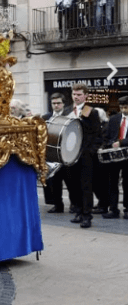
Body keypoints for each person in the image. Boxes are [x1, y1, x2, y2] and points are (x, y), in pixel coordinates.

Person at [68, 83, 102, 228]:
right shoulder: (68, 111)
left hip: (85, 155)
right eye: (74, 94)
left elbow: (98, 135)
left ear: (86, 96)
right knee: (74, 186)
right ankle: (79, 212)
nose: (76, 97)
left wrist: (91, 151)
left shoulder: (91, 112)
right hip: (70, 155)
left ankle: (87, 216)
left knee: (86, 187)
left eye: (79, 95)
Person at [41, 93, 77, 213]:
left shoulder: (69, 116)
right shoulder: (46, 117)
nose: (56, 105)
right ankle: (58, 205)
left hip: (66, 154)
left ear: (63, 104)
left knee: (71, 183)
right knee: (55, 182)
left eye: (58, 103)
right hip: (52, 156)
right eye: (54, 103)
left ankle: (74, 205)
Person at [101, 96, 128, 219]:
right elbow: (106, 135)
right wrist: (106, 145)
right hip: (114, 156)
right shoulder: (114, 119)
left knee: (127, 183)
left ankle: (127, 209)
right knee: (112, 183)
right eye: (122, 107)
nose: (124, 110)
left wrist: (121, 142)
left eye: (126, 107)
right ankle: (113, 209)